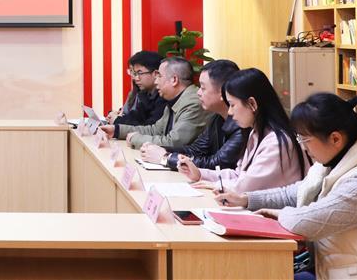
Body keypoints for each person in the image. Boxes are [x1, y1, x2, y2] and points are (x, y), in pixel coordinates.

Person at [216, 93, 357, 280]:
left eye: (305, 139)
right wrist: (246, 199)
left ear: (335, 139)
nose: (303, 147)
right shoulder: (331, 164)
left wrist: (278, 214)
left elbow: (306, 222)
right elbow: (295, 194)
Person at [177, 68, 306, 193]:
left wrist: (214, 184)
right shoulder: (255, 133)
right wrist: (200, 173)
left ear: (252, 104)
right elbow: (239, 175)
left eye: (232, 105)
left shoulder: (276, 142)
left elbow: (245, 187)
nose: (230, 112)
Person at [141, 59, 247, 170]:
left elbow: (216, 164)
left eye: (203, 88)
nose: (198, 92)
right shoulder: (217, 118)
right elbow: (195, 150)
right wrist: (158, 149)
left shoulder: (242, 125)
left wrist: (166, 158)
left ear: (223, 92)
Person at [102, 57, 212, 149]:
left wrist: (135, 139)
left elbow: (174, 142)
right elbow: (155, 130)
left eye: (159, 76)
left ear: (174, 80)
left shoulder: (193, 103)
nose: (156, 81)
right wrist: (117, 130)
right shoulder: (175, 100)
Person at [107, 51, 166, 127]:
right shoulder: (145, 95)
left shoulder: (164, 96)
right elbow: (135, 117)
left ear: (156, 73)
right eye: (135, 73)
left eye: (140, 73)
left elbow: (148, 127)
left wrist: (117, 120)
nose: (136, 78)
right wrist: (115, 117)